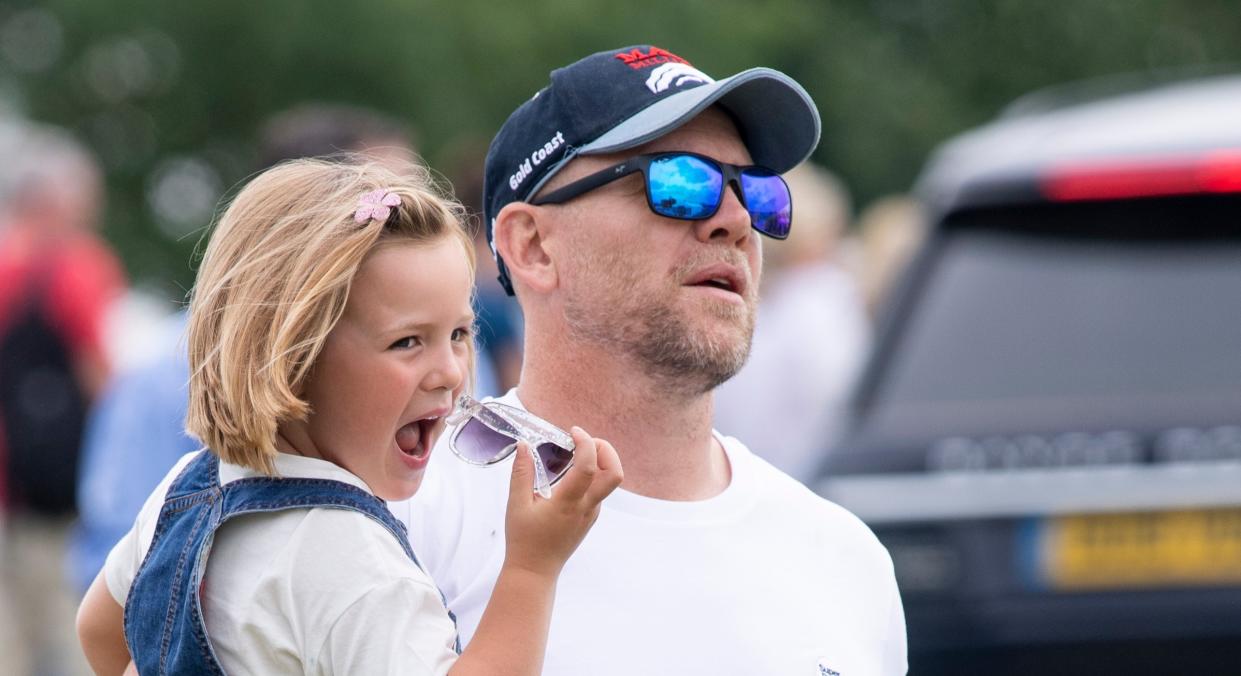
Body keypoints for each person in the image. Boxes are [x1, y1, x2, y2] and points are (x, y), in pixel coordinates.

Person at [394, 44, 908, 675]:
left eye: (757, 191)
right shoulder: (408, 514)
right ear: (532, 247)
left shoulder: (846, 560)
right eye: (679, 182)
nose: (735, 219)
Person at [75, 158, 623, 675]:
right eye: (408, 342)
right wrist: (532, 567)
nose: (451, 372)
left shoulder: (185, 489)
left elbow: (101, 631)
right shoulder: (349, 559)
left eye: (458, 334)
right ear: (293, 360)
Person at [0, 123, 123, 676]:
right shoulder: (78, 265)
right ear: (56, 197)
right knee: (63, 632)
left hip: (9, 480)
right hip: (55, 486)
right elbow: (102, 379)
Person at [713, 161, 872, 483]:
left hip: (747, 477)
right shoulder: (823, 298)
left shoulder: (750, 306)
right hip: (815, 478)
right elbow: (844, 394)